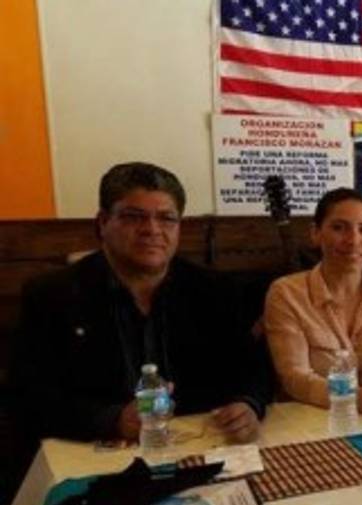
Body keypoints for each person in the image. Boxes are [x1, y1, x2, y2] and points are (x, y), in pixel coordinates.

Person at [8, 162, 271, 444]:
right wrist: (112, 420)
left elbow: (254, 368)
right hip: (94, 448)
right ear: (102, 223)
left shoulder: (215, 290)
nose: (151, 229)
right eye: (134, 217)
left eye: (166, 218)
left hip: (198, 441)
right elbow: (29, 394)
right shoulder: (52, 295)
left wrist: (249, 403)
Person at [264, 188, 362, 417]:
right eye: (339, 228)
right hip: (312, 419)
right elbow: (294, 377)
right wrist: (350, 397)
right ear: (316, 233)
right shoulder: (286, 293)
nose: (353, 240)